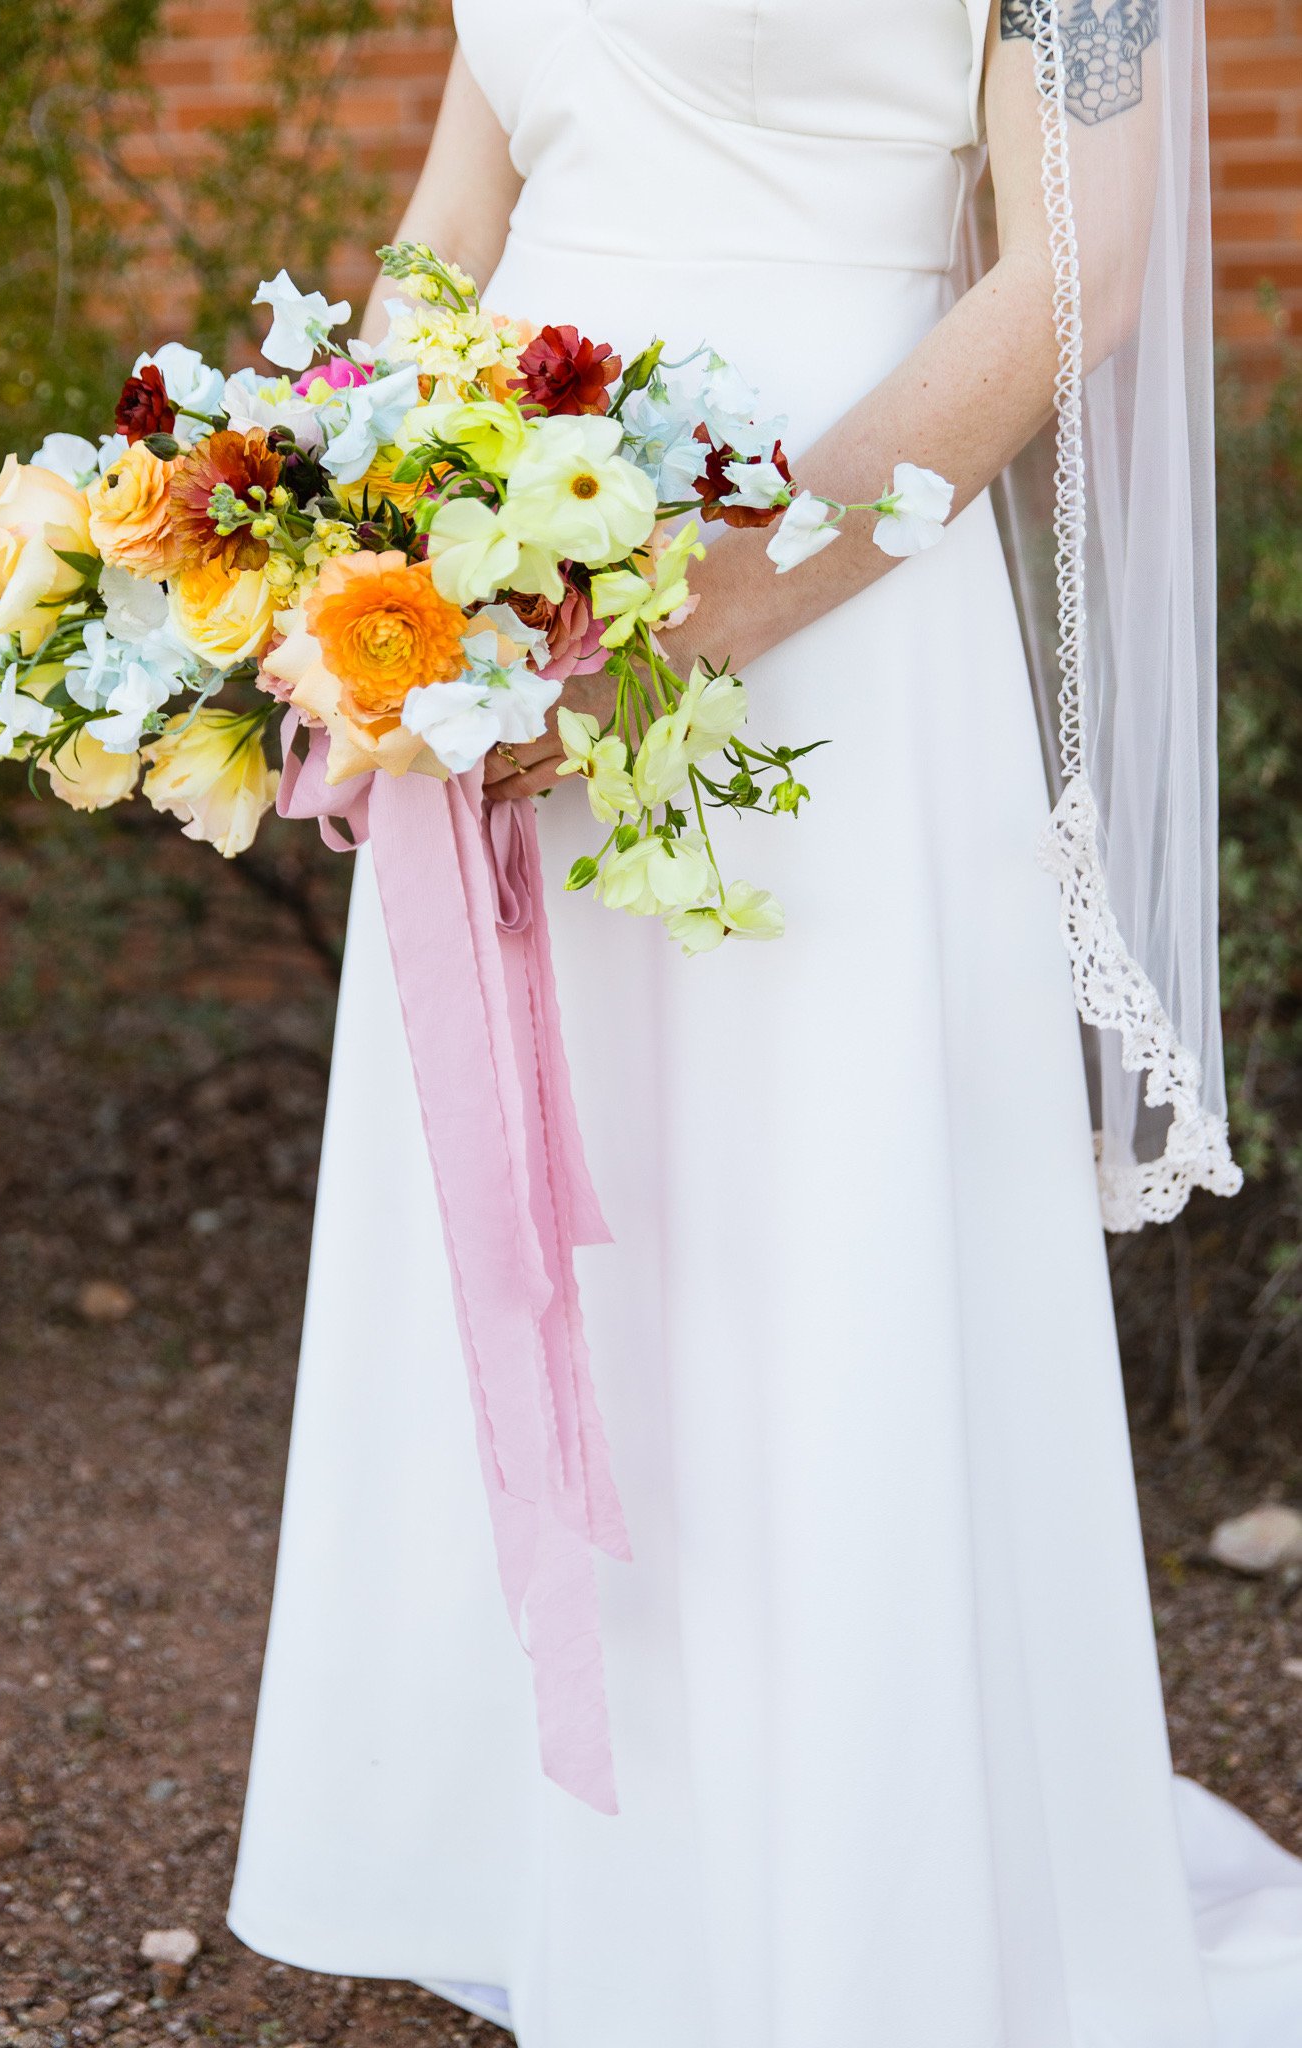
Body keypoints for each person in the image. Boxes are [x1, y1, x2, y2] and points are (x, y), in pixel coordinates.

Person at [228, 3, 1302, 2041]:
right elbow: (455, 221)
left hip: (823, 600)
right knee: (568, 1221)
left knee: (807, 1221)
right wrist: (336, 526)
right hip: (497, 604)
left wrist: (709, 605)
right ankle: (575, 1859)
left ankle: (849, 1884)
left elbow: (1074, 272)